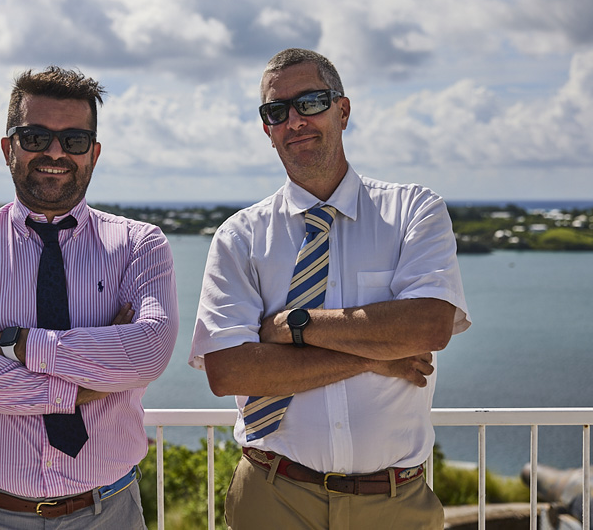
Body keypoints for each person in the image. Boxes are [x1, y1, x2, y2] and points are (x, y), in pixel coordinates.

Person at [189, 48, 471, 529]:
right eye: (277, 111)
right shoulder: (240, 237)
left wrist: (291, 326)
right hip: (272, 497)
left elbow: (428, 327)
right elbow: (229, 370)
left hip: (394, 505)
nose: (295, 120)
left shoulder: (413, 211)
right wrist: (376, 356)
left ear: (343, 110)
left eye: (311, 102)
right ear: (267, 130)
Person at [0, 66, 179, 529]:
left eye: (74, 140)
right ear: (8, 148)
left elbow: (149, 352)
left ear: (94, 153)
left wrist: (16, 344)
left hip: (109, 511)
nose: (55, 152)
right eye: (36, 137)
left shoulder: (140, 244)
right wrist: (85, 386)